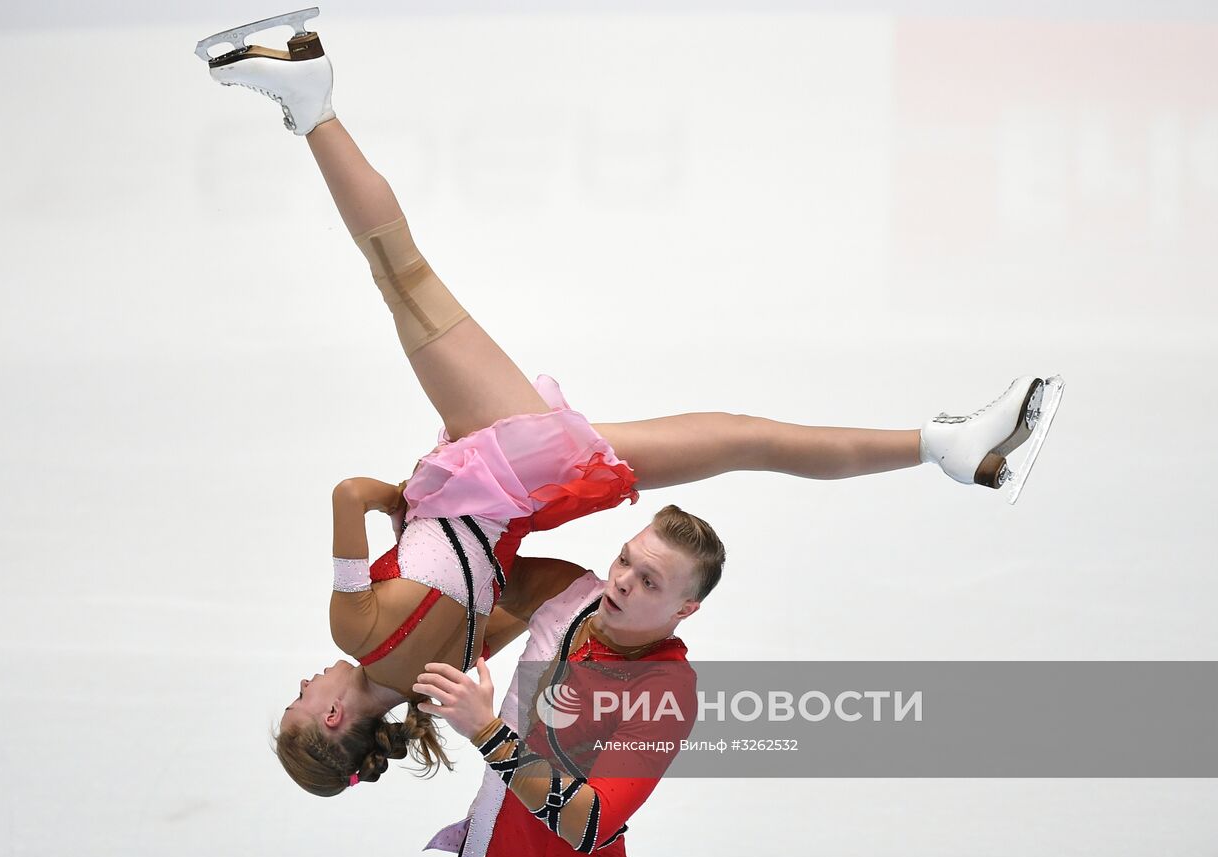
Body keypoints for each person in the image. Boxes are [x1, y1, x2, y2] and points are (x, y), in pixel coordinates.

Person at [193, 8, 1065, 800]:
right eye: (300, 700)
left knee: (739, 437)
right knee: (400, 271)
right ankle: (310, 97)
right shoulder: (351, 624)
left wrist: (586, 624)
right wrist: (406, 502)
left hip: (527, 483)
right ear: (335, 721)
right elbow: (351, 494)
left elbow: (544, 589)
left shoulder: (456, 666)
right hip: (499, 450)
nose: (305, 682)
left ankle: (947, 445)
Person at [416, 508, 719, 857]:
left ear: (685, 609)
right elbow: (466, 568)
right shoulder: (569, 592)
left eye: (649, 582)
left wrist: (487, 733)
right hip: (486, 854)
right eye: (624, 559)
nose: (622, 581)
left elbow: (591, 824)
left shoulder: (666, 691)